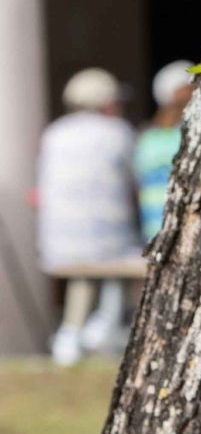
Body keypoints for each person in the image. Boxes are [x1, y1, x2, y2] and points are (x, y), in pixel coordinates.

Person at [34, 67, 140, 366]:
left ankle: (78, 331)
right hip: (109, 239)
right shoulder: (118, 132)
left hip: (55, 241)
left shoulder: (55, 133)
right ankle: (102, 328)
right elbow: (135, 182)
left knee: (87, 272)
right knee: (127, 257)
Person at [135, 60, 194, 243]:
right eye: (189, 84)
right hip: (164, 232)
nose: (195, 88)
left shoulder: (145, 137)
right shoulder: (149, 138)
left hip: (169, 231)